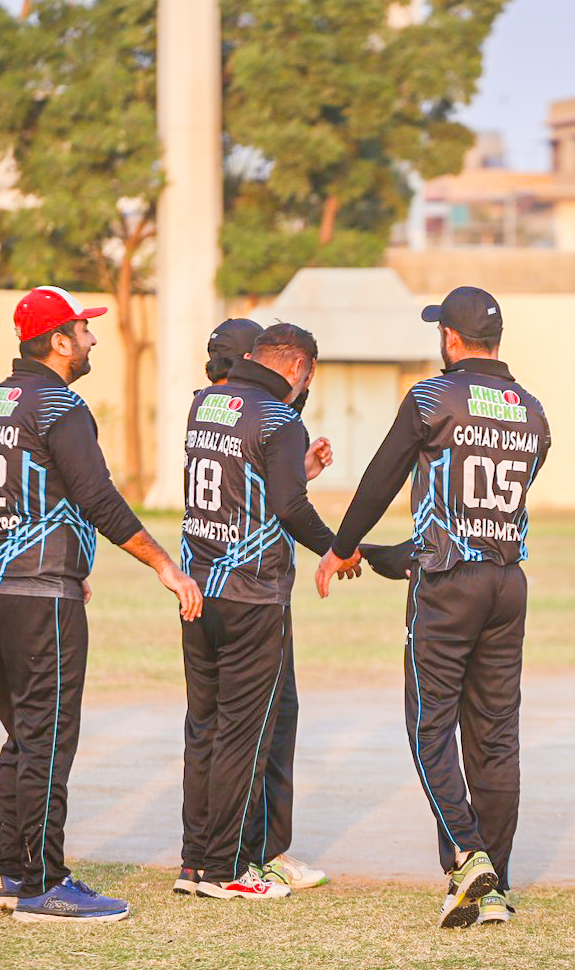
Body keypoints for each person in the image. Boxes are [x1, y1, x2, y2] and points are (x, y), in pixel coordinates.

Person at [0, 285, 202, 924]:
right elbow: (97, 497)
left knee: (23, 735)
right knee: (46, 738)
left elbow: (23, 495)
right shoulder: (60, 404)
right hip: (37, 594)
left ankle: (12, 872)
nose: (93, 338)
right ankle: (43, 884)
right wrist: (164, 563)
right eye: (84, 329)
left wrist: (71, 560)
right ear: (59, 342)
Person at [316, 286, 551, 928]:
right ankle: (494, 887)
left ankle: (469, 857)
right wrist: (386, 554)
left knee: (429, 725)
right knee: (495, 737)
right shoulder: (532, 412)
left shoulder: (431, 397)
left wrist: (342, 546)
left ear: (449, 337)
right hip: (506, 582)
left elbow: (381, 477)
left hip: (448, 588)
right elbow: (480, 513)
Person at [177, 323, 359, 900]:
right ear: (299, 368)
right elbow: (289, 507)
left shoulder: (205, 405)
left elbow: (244, 481)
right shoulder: (280, 418)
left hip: (198, 588)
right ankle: (227, 867)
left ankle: (195, 861)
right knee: (246, 733)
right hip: (252, 595)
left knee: (205, 727)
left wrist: (294, 468)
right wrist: (337, 548)